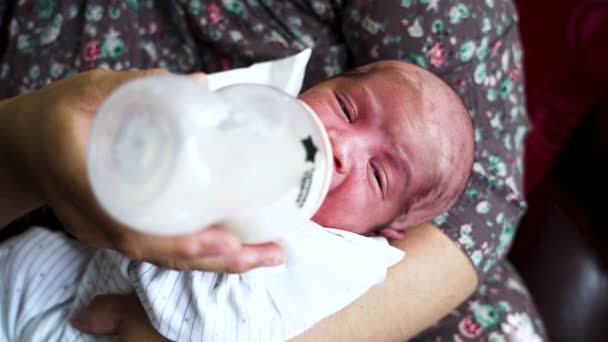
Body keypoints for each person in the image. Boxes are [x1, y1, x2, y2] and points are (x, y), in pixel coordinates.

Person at [0, 1, 546, 340]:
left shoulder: (334, 260)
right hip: (60, 248)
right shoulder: (255, 119)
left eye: (378, 176)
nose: (338, 146)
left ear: (385, 232)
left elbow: (485, 195)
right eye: (346, 109)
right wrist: (24, 145)